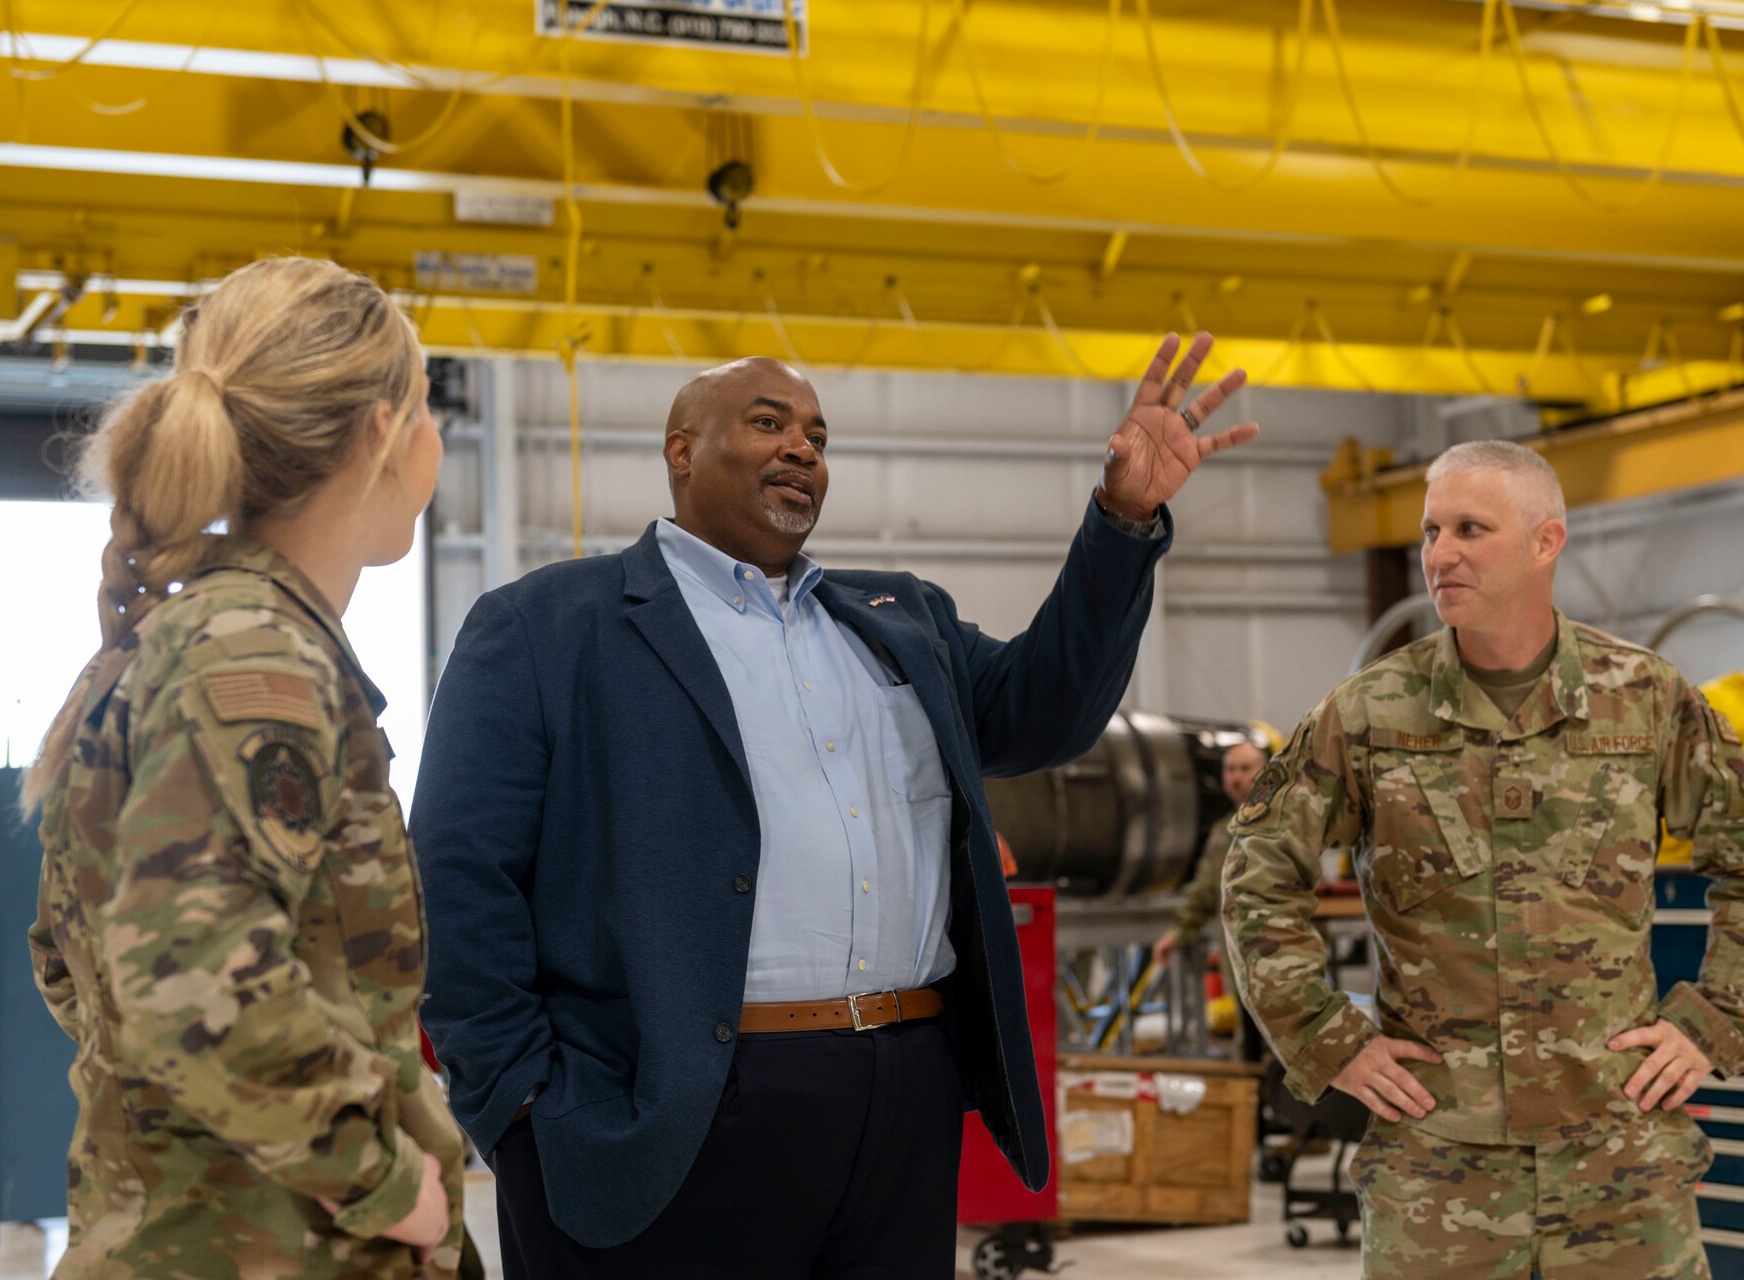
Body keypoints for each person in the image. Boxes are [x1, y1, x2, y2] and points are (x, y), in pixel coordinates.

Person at [413, 333, 1260, 1277]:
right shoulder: (546, 626)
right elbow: (455, 874)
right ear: (680, 450)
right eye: (768, 422)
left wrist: (1121, 518)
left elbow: (1046, 708)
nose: (802, 448)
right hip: (660, 1109)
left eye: (817, 434)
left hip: (900, 1096)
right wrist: (523, 1106)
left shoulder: (902, 619)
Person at [1222, 440, 1744, 1279]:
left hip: (1620, 1164)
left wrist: (1713, 1020)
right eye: (1430, 530)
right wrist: (1322, 1035)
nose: (1439, 553)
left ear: (1545, 541)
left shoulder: (1643, 698)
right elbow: (1258, 871)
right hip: (1438, 1175)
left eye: (1470, 528)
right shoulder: (1371, 713)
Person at [21, 257, 465, 1278]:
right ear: (379, 435)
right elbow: (183, 972)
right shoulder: (256, 657)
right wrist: (384, 1179)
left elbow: (70, 958)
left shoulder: (174, 639)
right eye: (428, 406)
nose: (434, 437)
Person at [1152, 738, 1268, 971]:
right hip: (1240, 963)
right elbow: (1205, 891)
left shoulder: (1284, 825)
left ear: (1265, 772)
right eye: (1230, 769)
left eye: (1245, 769)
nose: (1236, 777)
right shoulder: (1223, 833)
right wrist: (1176, 934)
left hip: (1281, 961)